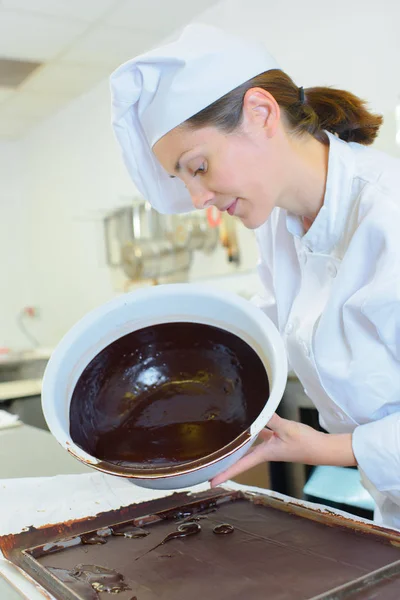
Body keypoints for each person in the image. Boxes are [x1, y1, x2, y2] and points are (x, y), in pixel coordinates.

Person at [110, 23, 400, 530]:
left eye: (197, 168)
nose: (198, 200)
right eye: (182, 180)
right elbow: (263, 330)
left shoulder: (389, 214)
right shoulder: (278, 224)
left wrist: (334, 448)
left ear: (261, 113)